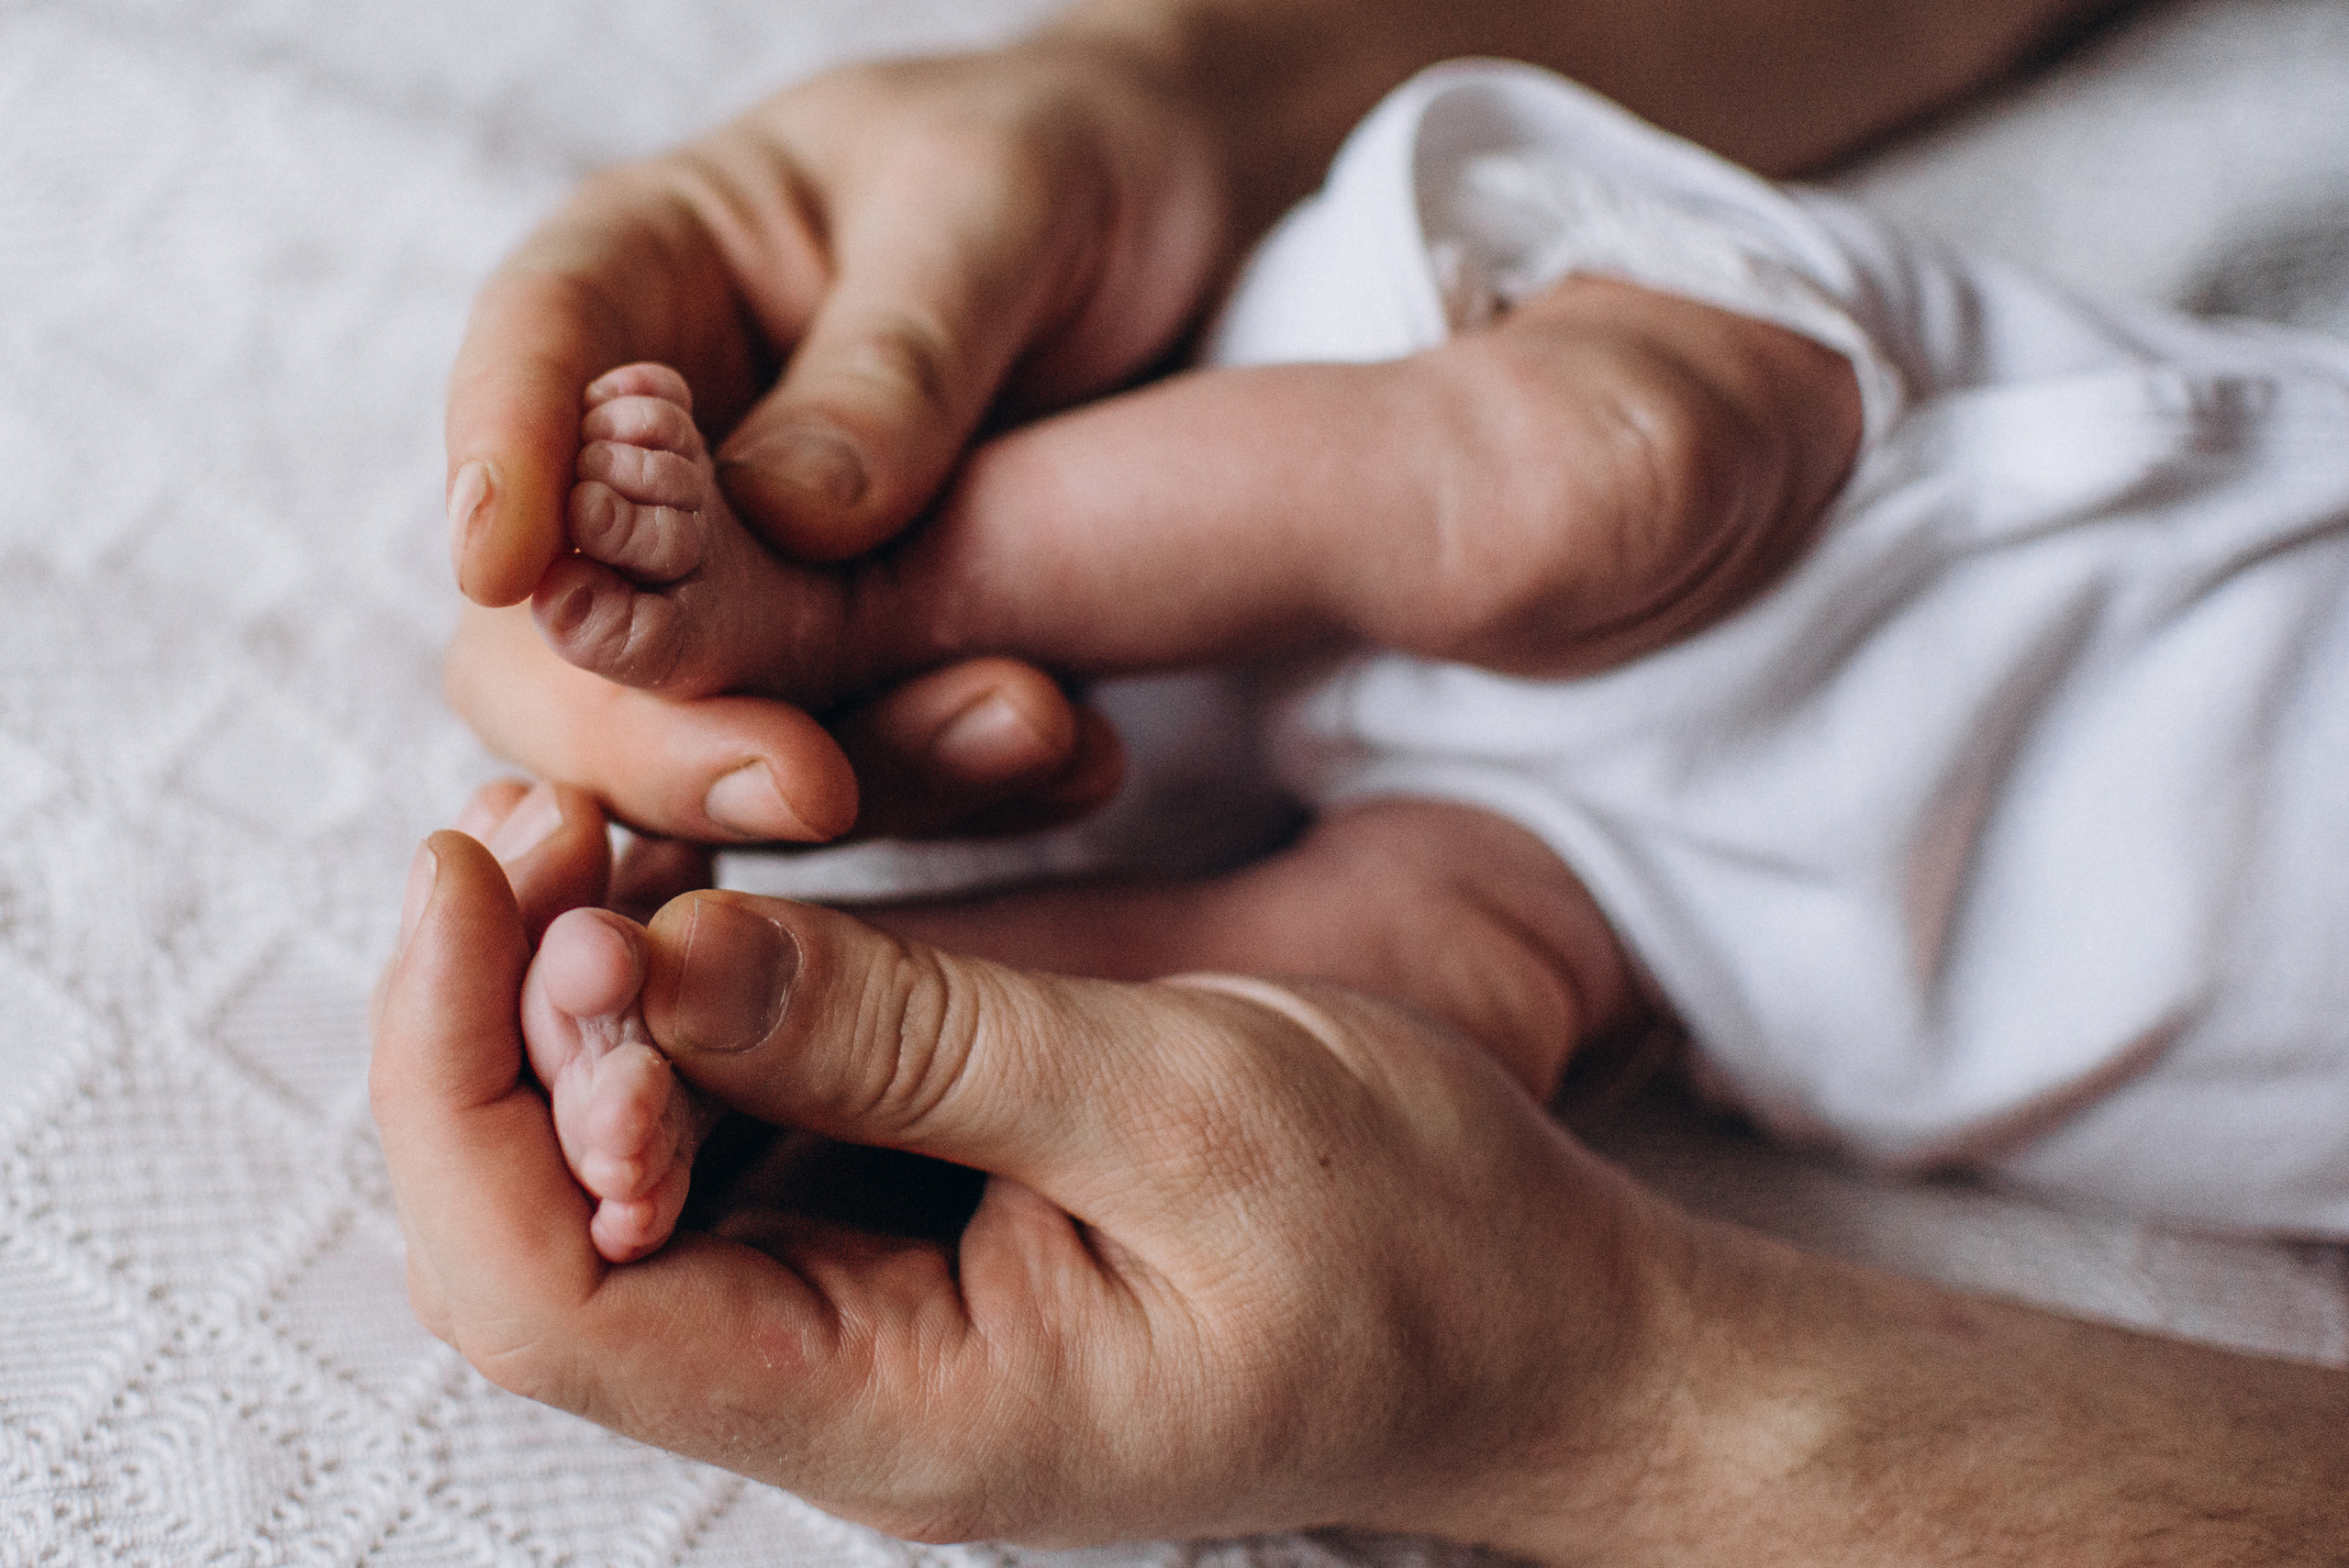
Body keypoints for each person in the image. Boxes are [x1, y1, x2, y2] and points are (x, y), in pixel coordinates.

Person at [393, 0, 2349, 1554]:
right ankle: (853, 587)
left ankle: (721, 1054)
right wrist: (1151, 68)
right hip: (1889, 501)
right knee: (1566, 481)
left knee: (1362, 1019)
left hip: (1722, 921)